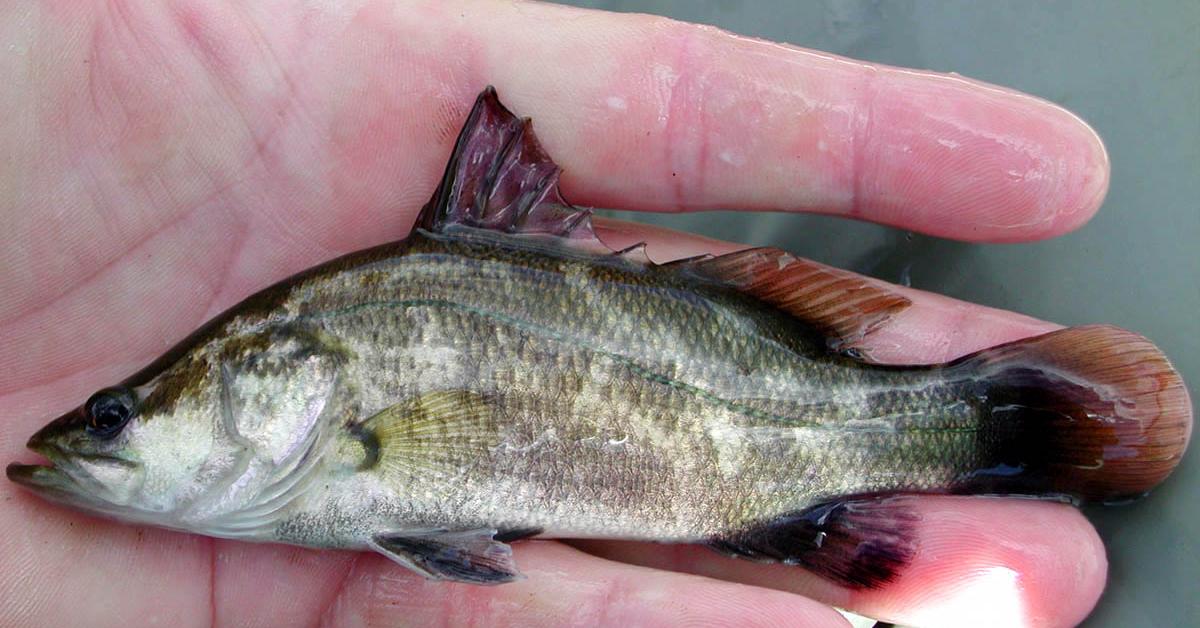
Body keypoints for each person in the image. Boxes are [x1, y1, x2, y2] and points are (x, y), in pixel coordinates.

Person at [0, 2, 1114, 626]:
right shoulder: (329, 406)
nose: (93, 438)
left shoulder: (339, 392)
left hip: (751, 410)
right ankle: (1000, 428)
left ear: (283, 376)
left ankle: (989, 418)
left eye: (116, 415)